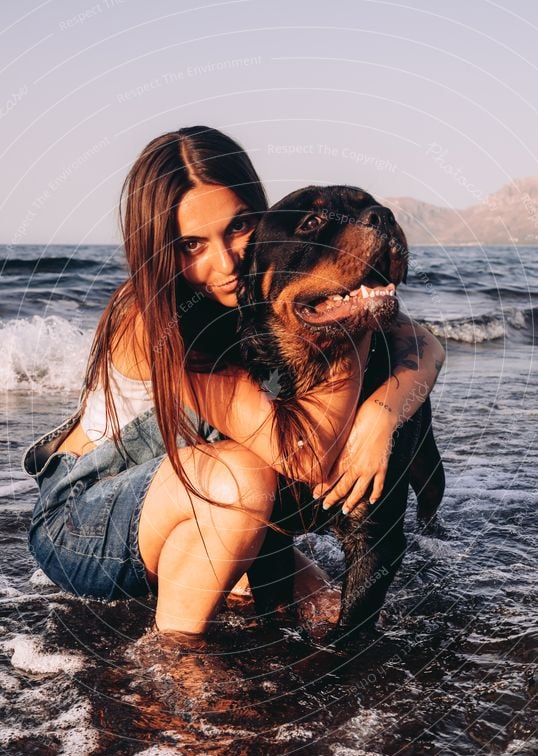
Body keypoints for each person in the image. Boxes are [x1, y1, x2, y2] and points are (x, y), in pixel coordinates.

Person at [22, 126, 445, 636]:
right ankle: (178, 659)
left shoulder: (253, 296)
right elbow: (305, 456)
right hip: (83, 522)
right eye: (191, 245)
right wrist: (348, 330)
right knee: (245, 473)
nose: (223, 264)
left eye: (239, 226)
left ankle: (236, 566)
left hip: (182, 500)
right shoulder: (153, 319)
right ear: (158, 249)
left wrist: (382, 414)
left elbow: (421, 342)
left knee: (253, 507)